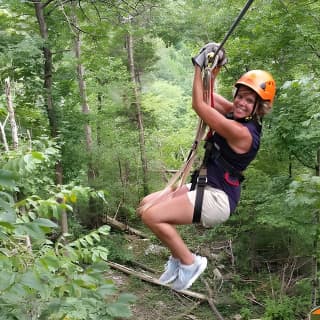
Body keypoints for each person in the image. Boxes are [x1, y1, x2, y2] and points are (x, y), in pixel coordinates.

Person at [138, 42, 276, 291]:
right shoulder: (234, 114)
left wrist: (197, 67)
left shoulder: (242, 133)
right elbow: (207, 97)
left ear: (258, 108)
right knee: (147, 205)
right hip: (205, 186)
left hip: (217, 198)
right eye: (240, 96)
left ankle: (190, 263)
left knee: (152, 216)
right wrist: (214, 69)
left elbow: (200, 107)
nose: (241, 103)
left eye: (249, 101)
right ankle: (178, 258)